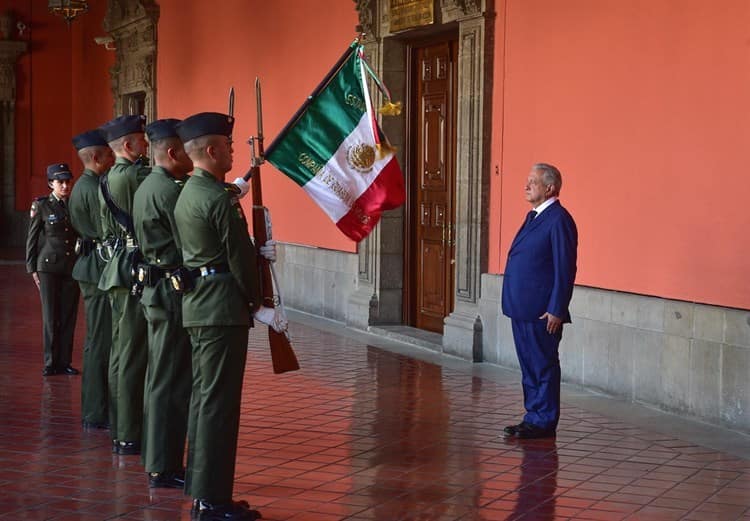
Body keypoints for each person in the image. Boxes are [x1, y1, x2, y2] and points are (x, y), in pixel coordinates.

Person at [173, 112, 276, 521]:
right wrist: (258, 302)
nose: (234, 150)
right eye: (229, 146)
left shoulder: (191, 193)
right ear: (212, 151)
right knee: (219, 405)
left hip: (200, 306)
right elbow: (238, 259)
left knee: (204, 401)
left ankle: (203, 493)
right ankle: (213, 501)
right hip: (221, 309)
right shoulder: (217, 199)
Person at [132, 118, 193, 488]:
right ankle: (162, 463)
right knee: (170, 381)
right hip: (170, 292)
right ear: (172, 152)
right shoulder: (169, 191)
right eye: (187, 148)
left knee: (160, 377)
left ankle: (156, 457)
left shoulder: (151, 184)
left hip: (156, 288)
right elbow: (190, 241)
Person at [501, 163, 577, 439]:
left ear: (550, 187)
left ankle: (543, 420)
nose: (526, 185)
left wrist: (557, 307)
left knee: (542, 364)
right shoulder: (534, 216)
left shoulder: (559, 219)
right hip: (523, 307)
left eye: (533, 181)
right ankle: (533, 416)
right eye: (527, 180)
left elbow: (565, 268)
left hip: (543, 311)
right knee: (529, 366)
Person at [98, 114, 150, 455]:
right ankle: (129, 432)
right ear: (129, 146)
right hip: (133, 270)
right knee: (132, 353)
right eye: (143, 141)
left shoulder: (108, 178)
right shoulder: (134, 174)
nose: (148, 146)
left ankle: (120, 427)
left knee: (120, 352)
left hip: (116, 268)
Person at [69, 129, 115, 429]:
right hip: (97, 269)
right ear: (96, 157)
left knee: (98, 340)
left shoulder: (85, 185)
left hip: (91, 266)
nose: (113, 158)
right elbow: (106, 230)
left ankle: (96, 410)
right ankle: (96, 412)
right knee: (100, 340)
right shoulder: (93, 188)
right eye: (109, 154)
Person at [25, 163, 80, 377]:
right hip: (47, 266)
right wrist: (31, 268)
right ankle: (50, 362)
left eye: (68, 182)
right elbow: (32, 238)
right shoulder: (42, 206)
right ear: (51, 184)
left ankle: (65, 361)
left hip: (70, 267)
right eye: (61, 182)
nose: (65, 186)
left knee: (68, 315)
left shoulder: (74, 205)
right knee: (50, 316)